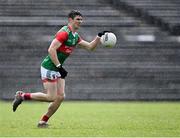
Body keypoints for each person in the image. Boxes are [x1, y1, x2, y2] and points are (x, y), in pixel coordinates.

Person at [12, 10, 109, 128]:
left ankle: (43, 122)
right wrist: (59, 67)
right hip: (49, 67)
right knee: (51, 97)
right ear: (70, 20)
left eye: (81, 19)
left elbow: (90, 47)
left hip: (58, 67)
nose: (80, 22)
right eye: (78, 19)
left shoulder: (75, 36)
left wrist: (99, 36)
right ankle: (22, 96)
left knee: (61, 96)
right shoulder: (64, 33)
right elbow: (51, 50)